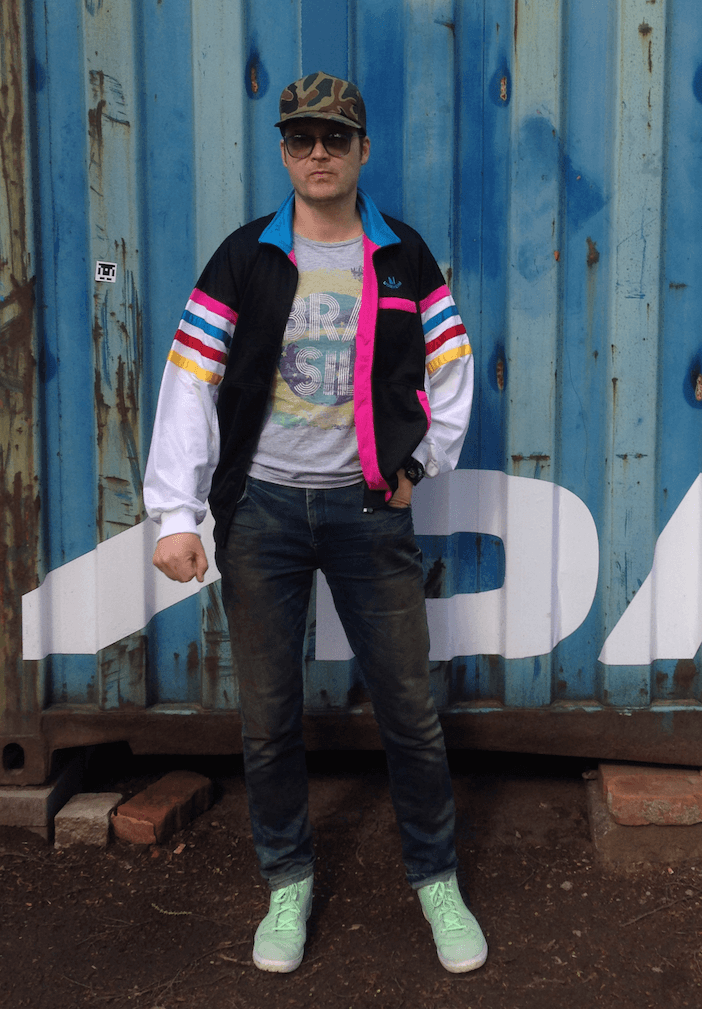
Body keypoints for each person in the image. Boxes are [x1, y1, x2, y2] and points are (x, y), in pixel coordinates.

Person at [142, 71, 485, 976]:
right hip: (261, 513)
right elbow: (189, 383)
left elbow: (451, 370)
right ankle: (287, 882)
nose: (320, 153)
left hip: (368, 512)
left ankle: (437, 880)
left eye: (337, 137)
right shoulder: (244, 258)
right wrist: (176, 512)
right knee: (267, 718)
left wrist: (417, 465)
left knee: (410, 712)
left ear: (364, 149)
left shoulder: (402, 257)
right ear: (286, 151)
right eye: (302, 138)